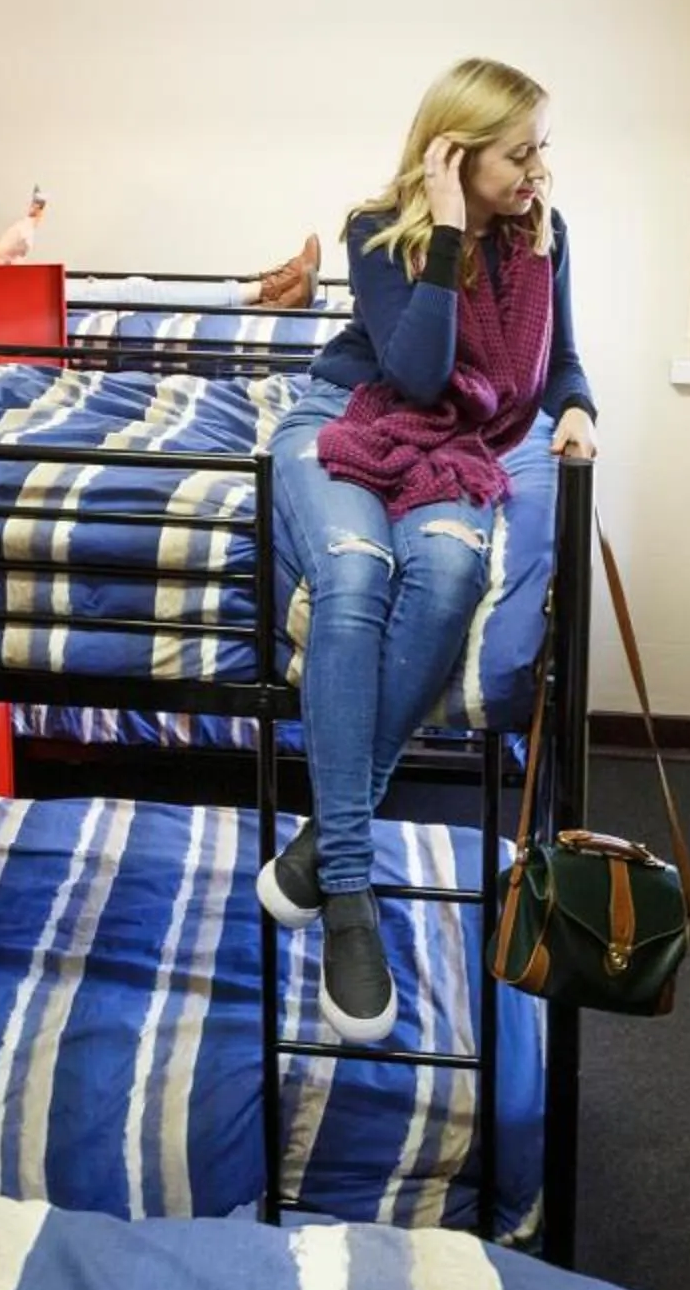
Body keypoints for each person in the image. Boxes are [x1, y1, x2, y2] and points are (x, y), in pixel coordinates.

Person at [255, 57, 595, 1042]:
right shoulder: (380, 228)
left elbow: (560, 359)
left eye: (542, 146)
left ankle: (325, 842)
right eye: (518, 152)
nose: (538, 169)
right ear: (454, 152)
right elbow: (413, 367)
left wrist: (576, 408)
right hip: (346, 421)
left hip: (457, 446)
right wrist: (448, 230)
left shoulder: (544, 238)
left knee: (446, 570)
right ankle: (351, 898)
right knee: (357, 575)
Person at [0, 93, 321, 308]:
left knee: (128, 288)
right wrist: (0, 252)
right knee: (134, 292)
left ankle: (267, 289)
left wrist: (8, 247)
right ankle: (264, 290)